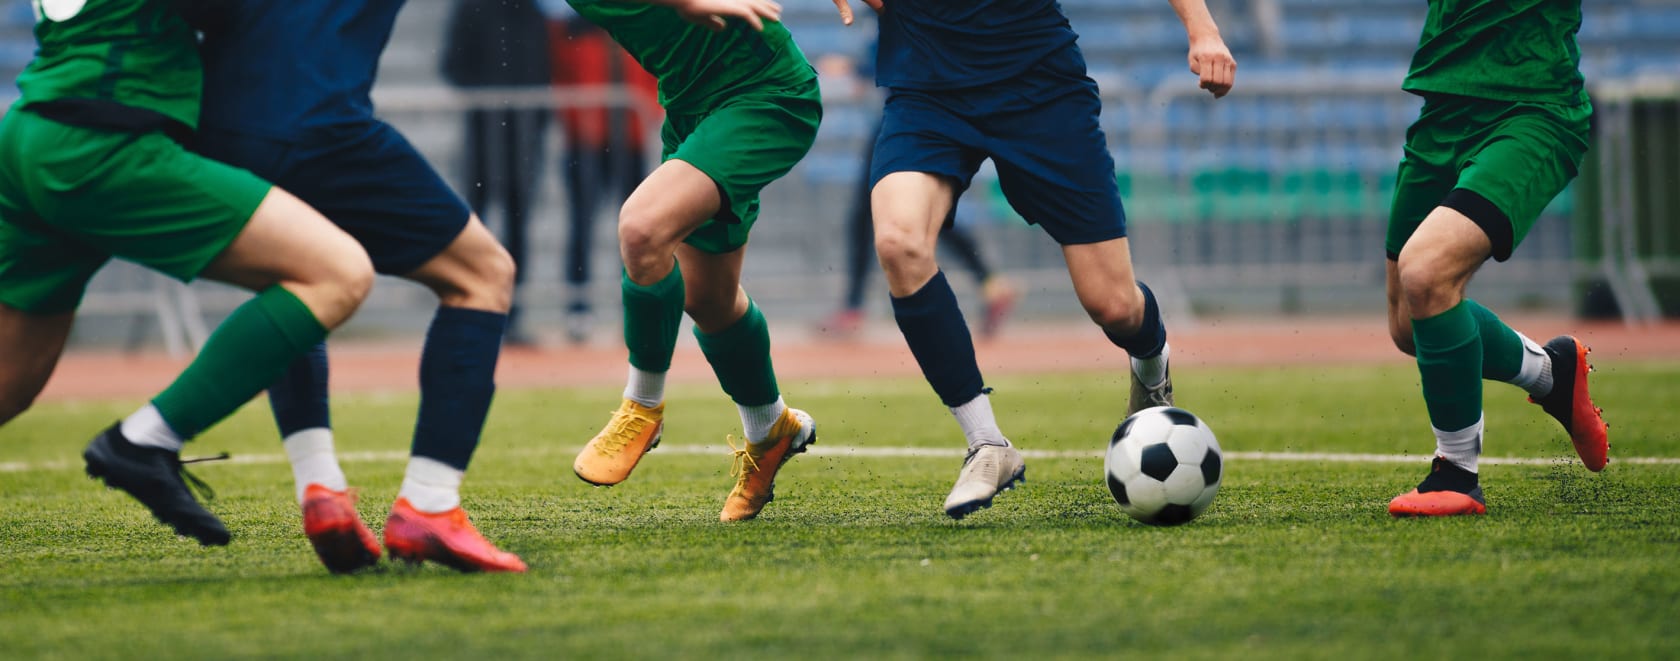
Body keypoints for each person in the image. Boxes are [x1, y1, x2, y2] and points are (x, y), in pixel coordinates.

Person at [829, 0, 1236, 519]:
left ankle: (1151, 366)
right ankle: (987, 445)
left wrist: (1201, 29)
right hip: (927, 90)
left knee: (1112, 306)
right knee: (898, 243)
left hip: (1039, 88)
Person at [0, 0, 374, 548]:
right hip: (105, 140)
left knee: (9, 384)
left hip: (40, 128)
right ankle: (143, 441)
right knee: (336, 274)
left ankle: (316, 476)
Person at [195, 0, 525, 572]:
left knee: (296, 282)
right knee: (482, 275)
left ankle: (319, 488)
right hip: (319, 122)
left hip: (224, 124)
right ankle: (430, 502)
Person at [565, 0, 822, 522]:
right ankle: (770, 428)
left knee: (642, 228)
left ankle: (643, 405)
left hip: (765, 92)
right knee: (709, 300)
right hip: (690, 110)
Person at [1383, 0, 1608, 517]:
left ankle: (1457, 472)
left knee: (1427, 272)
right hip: (1443, 110)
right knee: (1408, 326)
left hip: (1531, 107)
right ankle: (1552, 374)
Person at [813, 49, 1019, 341]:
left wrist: (855, 67)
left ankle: (854, 308)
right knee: (918, 215)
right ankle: (990, 282)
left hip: (906, 120)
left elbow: (898, 54)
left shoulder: (900, 13)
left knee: (875, 215)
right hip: (919, 116)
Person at [442, 0, 552, 345]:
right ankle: (474, 312)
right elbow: (452, 64)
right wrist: (492, 98)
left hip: (522, 139)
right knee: (478, 226)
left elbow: (543, 71)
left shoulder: (532, 13)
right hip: (484, 136)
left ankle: (511, 316)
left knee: (517, 226)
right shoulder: (472, 8)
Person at [546, 12, 660, 343]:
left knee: (637, 229)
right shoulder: (573, 27)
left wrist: (650, 110)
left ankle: (635, 305)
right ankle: (578, 309)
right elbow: (561, 79)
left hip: (632, 139)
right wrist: (577, 123)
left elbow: (655, 74)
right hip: (586, 143)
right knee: (582, 223)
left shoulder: (640, 23)